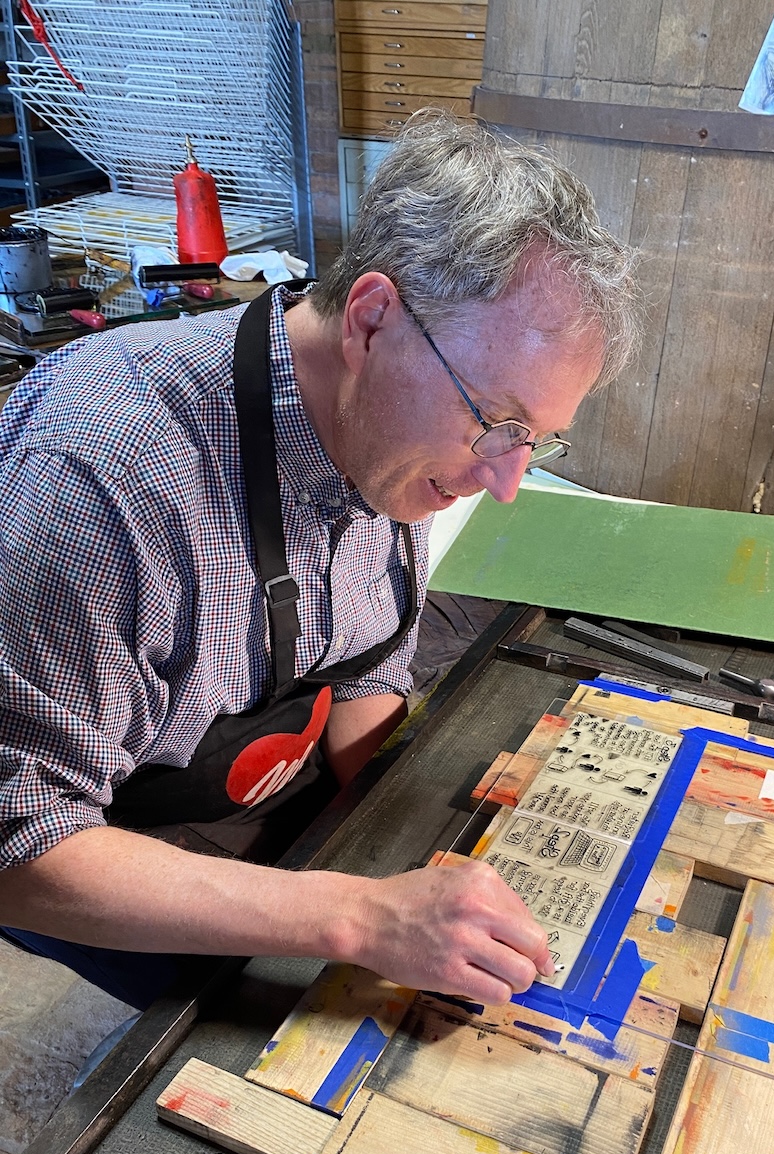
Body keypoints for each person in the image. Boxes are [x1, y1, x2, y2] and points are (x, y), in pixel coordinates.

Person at [0, 113, 642, 1011]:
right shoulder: (106, 473)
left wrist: (417, 852)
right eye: (498, 424)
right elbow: (16, 845)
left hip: (257, 795)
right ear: (374, 320)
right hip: (97, 838)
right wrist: (358, 913)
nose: (505, 481)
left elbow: (368, 664)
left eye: (537, 439)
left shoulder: (392, 435)